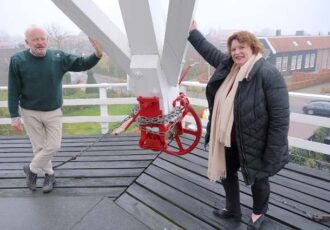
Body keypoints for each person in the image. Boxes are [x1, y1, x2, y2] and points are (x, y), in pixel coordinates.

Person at [188, 20, 289, 230]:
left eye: (241, 47)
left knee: (258, 180)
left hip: (256, 142)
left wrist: (272, 153)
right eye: (233, 49)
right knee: (227, 173)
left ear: (252, 47)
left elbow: (280, 119)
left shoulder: (267, 74)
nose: (237, 52)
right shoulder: (229, 67)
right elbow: (209, 51)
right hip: (228, 138)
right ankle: (233, 208)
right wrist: (193, 32)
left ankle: (258, 212)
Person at [8, 25, 103, 193]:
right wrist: (14, 116)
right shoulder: (17, 60)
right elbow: (13, 90)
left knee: (53, 146)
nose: (40, 42)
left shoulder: (58, 57)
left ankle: (31, 169)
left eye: (42, 38)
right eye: (35, 39)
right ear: (27, 42)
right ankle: (50, 175)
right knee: (39, 148)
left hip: (53, 111)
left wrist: (97, 54)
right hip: (29, 112)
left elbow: (82, 63)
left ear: (47, 40)